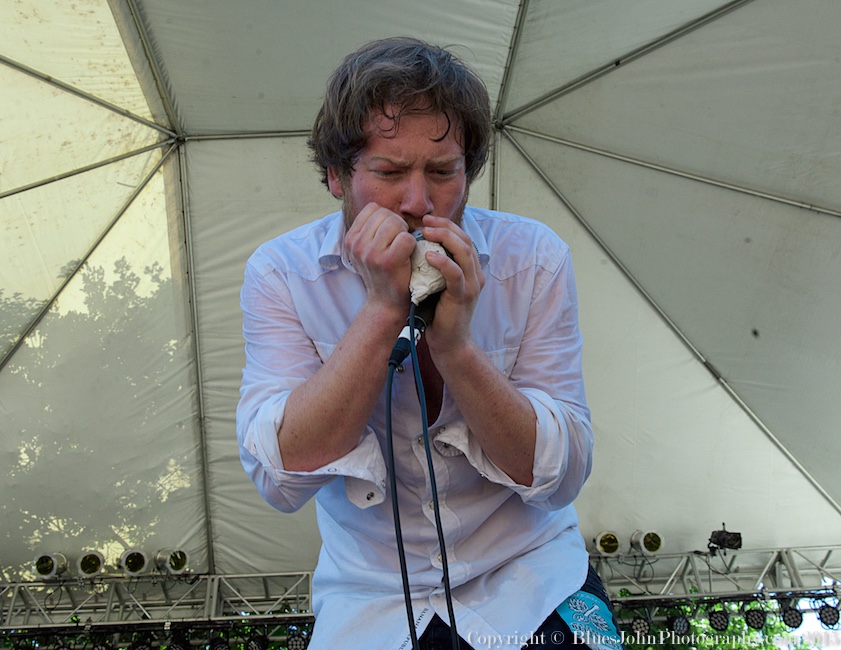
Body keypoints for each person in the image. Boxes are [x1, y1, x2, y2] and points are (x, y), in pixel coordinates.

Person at [237, 37, 622, 650]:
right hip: (371, 602)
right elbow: (278, 478)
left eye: (444, 172)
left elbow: (563, 475)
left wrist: (459, 351)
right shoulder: (282, 273)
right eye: (389, 173)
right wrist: (381, 309)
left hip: (531, 577)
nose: (418, 202)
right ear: (336, 176)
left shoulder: (534, 259)